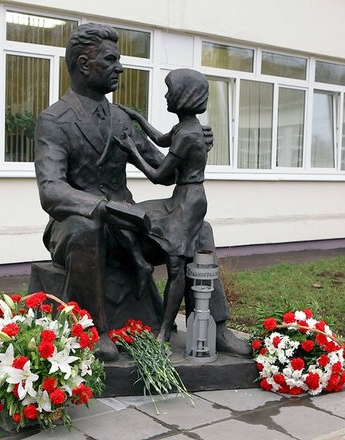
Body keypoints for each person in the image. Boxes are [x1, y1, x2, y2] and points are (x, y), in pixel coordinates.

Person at [34, 23, 251, 361]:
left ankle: (215, 327)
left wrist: (193, 147)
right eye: (111, 60)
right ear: (83, 64)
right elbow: (51, 190)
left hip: (128, 223)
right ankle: (93, 330)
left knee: (199, 229)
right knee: (85, 227)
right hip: (77, 225)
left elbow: (164, 173)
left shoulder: (121, 119)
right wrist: (103, 207)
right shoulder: (54, 120)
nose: (120, 68)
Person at [114, 68, 211, 343]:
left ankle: (165, 330)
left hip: (190, 202)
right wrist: (137, 118)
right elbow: (160, 139)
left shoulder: (189, 135)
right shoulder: (184, 127)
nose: (166, 96)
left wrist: (132, 152)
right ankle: (142, 265)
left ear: (184, 96)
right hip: (180, 197)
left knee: (176, 266)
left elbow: (159, 176)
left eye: (170, 91)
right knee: (126, 214)